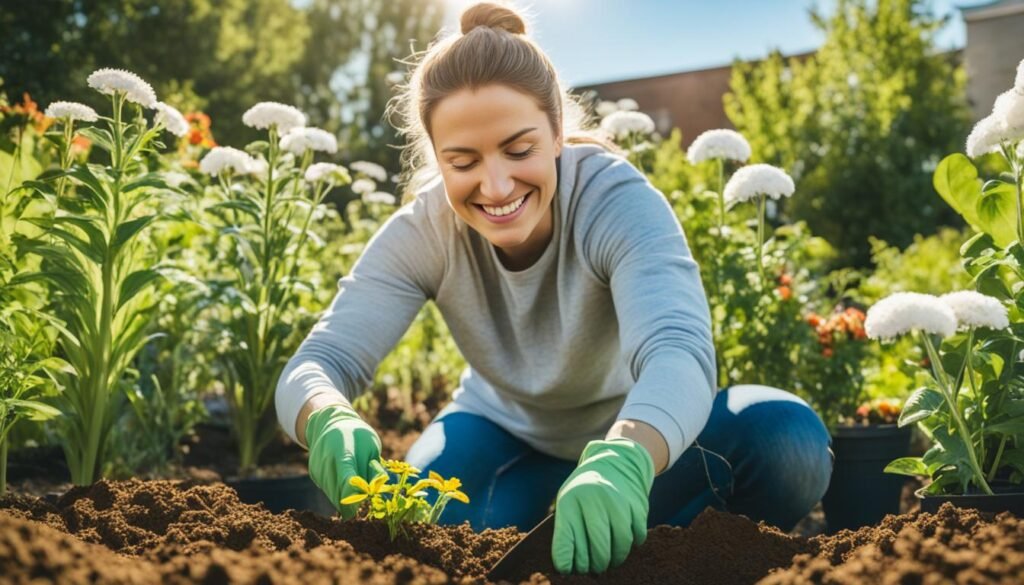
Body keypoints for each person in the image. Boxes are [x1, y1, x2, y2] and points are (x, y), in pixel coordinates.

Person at [275, 1, 832, 575]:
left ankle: (639, 555)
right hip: (502, 433)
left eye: (519, 150)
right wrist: (325, 416)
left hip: (638, 439)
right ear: (437, 159)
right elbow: (320, 360)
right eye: (462, 161)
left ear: (558, 133)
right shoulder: (426, 231)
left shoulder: (614, 200)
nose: (496, 186)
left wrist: (627, 457)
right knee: (427, 527)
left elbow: (677, 349)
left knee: (784, 440)